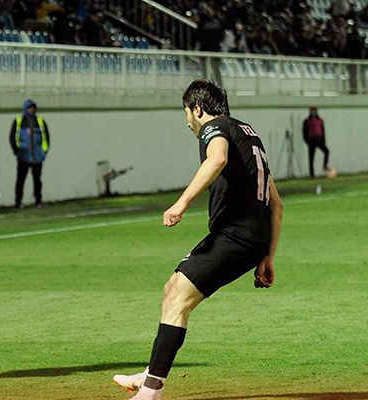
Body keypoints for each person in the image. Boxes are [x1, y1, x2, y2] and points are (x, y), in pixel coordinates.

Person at [112, 79, 284, 400]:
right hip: (250, 239)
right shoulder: (248, 134)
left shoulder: (214, 129)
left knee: (178, 299)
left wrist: (181, 204)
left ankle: (151, 391)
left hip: (235, 236)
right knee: (172, 289)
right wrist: (268, 256)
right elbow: (276, 204)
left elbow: (216, 160)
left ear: (198, 109)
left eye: (186, 114)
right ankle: (152, 373)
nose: (187, 122)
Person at [9, 99, 50, 209]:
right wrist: (17, 151)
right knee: (20, 180)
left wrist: (43, 152)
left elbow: (46, 138)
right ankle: (18, 202)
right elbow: (12, 137)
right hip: (23, 157)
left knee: (37, 180)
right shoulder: (18, 121)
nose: (31, 110)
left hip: (37, 157)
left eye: (33, 108)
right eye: (29, 108)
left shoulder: (40, 121)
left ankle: (38, 200)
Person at [302, 106, 332, 178]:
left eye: (314, 111)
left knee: (326, 151)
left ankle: (325, 165)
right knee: (311, 157)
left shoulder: (320, 120)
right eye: (312, 111)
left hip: (319, 139)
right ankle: (312, 174)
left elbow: (322, 131)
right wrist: (307, 141)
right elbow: (304, 132)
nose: (313, 112)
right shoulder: (307, 121)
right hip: (311, 140)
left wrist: (323, 139)